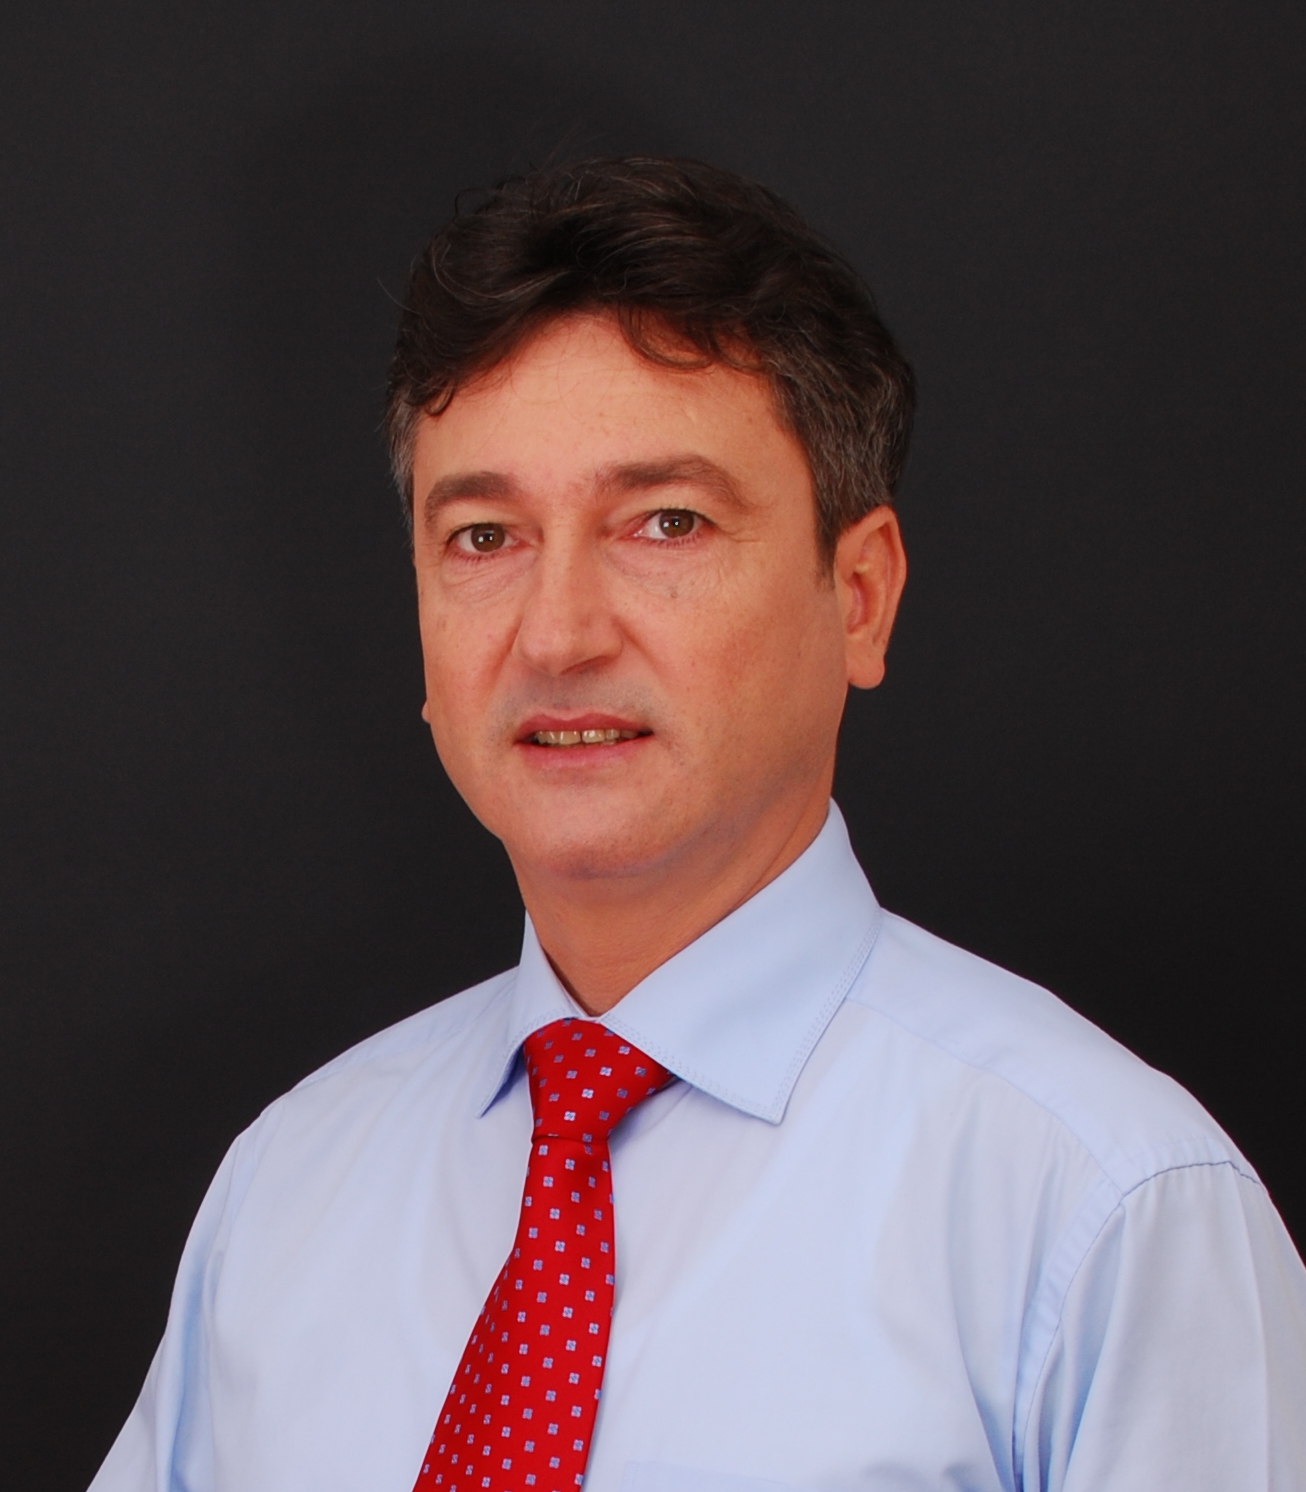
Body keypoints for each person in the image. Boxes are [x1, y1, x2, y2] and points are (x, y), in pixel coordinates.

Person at [90, 157, 1306, 1492]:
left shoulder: (1103, 1212)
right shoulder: (287, 1193)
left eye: (663, 522)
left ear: (859, 595)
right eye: (485, 537)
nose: (557, 635)